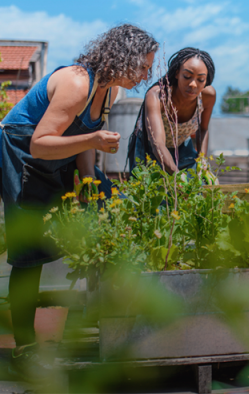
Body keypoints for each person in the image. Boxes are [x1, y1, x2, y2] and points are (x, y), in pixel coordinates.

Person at [0, 24, 158, 382]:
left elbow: (82, 144)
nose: (147, 75)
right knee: (30, 253)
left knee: (106, 210)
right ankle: (25, 347)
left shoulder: (109, 92)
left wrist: (89, 182)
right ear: (124, 58)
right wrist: (94, 139)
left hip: (56, 158)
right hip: (22, 154)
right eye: (144, 66)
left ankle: (98, 323)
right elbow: (41, 142)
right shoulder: (76, 83)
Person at [128, 47, 216, 173]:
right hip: (149, 149)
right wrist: (178, 178)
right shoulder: (158, 96)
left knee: (199, 186)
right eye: (187, 76)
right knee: (149, 190)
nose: (193, 84)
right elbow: (157, 144)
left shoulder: (208, 96)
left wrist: (202, 161)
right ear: (177, 74)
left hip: (181, 146)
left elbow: (203, 129)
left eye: (200, 79)